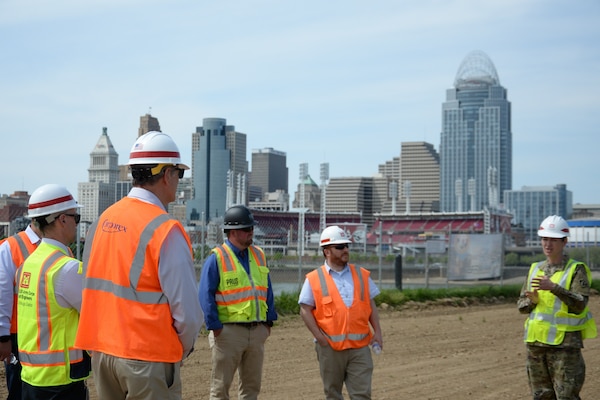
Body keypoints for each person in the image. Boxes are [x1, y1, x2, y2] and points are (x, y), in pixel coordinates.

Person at [75, 131, 203, 399]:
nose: (178, 182)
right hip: (147, 357)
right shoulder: (165, 229)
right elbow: (188, 313)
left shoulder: (101, 220)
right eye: (179, 174)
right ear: (167, 174)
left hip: (102, 353)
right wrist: (179, 349)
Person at [15, 184, 90, 399]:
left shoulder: (28, 264)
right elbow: (94, 314)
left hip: (31, 376)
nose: (77, 224)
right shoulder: (67, 268)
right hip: (61, 380)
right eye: (75, 217)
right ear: (62, 219)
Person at [199, 204, 278, 400]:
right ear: (233, 232)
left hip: (256, 331)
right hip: (228, 333)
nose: (252, 232)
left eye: (251, 228)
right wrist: (215, 327)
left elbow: (267, 291)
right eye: (247, 229)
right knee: (220, 390)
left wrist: (268, 322)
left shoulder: (258, 255)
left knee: (251, 389)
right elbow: (204, 295)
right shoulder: (217, 258)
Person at [298, 225, 383, 400]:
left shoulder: (361, 274)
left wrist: (378, 333)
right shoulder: (314, 278)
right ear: (326, 251)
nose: (345, 250)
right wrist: (320, 338)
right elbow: (305, 309)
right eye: (340, 247)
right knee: (333, 394)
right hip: (329, 348)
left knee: (362, 394)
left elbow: (371, 304)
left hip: (359, 348)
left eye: (346, 246)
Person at [518, 215, 597, 399]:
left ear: (564, 242)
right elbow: (522, 306)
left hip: (565, 347)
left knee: (567, 396)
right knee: (541, 396)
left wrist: (554, 288)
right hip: (535, 345)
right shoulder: (535, 269)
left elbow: (580, 305)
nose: (548, 244)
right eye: (545, 239)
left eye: (553, 239)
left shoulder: (576, 270)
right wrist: (532, 301)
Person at [0, 215, 41, 400]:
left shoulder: (61, 247)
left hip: (48, 336)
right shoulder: (11, 247)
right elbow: (2, 295)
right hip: (19, 337)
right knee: (19, 390)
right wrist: (3, 338)